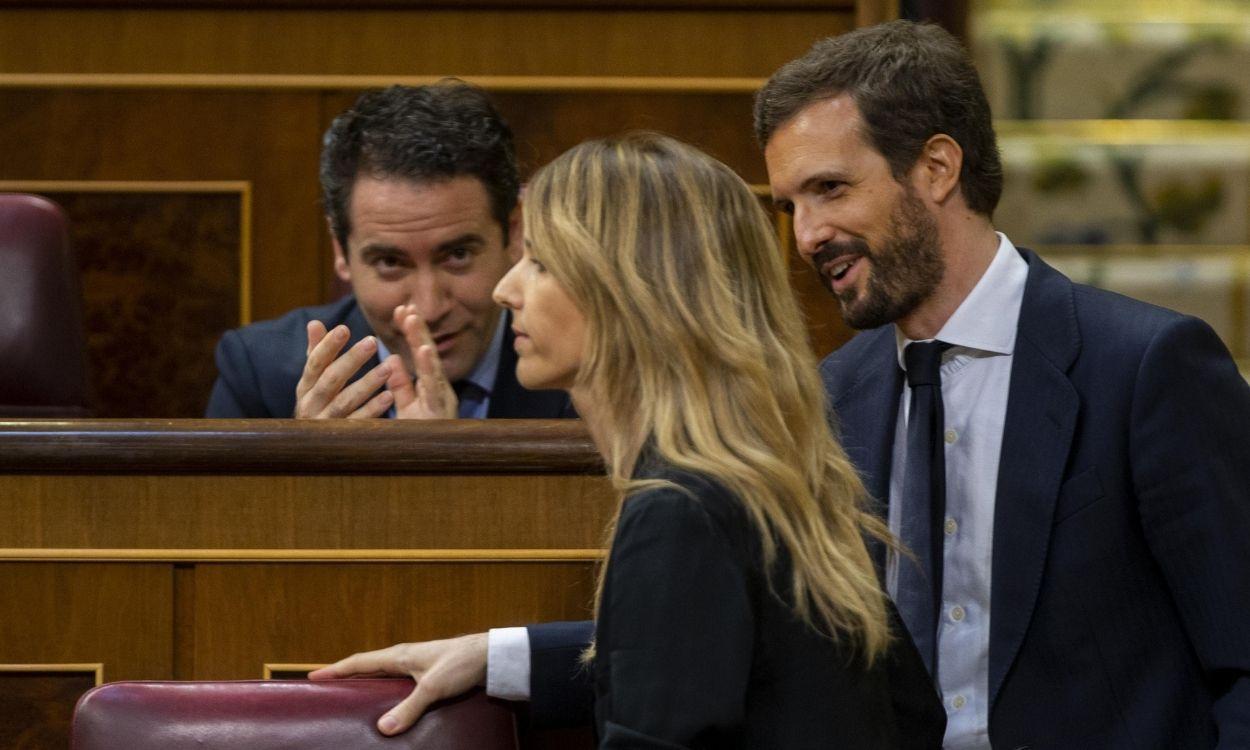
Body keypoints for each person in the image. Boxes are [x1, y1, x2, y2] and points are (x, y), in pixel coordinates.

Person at [310, 133, 946, 748]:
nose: (507, 290)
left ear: (627, 290)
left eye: (540, 262)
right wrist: (497, 657)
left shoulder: (677, 509)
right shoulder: (764, 481)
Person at [754, 20, 1250, 748]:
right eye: (790, 205)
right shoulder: (828, 397)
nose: (806, 235)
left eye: (829, 189)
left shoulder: (1147, 367)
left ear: (937, 168)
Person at [205, 82, 572, 420]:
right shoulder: (260, 375)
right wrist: (308, 473)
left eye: (458, 255)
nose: (427, 310)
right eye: (390, 263)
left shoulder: (583, 368)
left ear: (513, 234)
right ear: (341, 250)